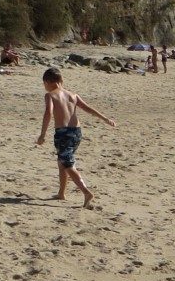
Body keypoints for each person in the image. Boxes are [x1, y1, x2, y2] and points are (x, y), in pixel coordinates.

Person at [35, 67, 115, 208]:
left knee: (67, 164)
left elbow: (48, 113)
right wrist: (105, 119)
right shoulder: (72, 95)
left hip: (63, 133)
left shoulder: (50, 95)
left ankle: (86, 192)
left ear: (47, 82)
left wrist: (42, 134)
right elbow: (88, 108)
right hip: (76, 132)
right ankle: (61, 193)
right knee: (62, 161)